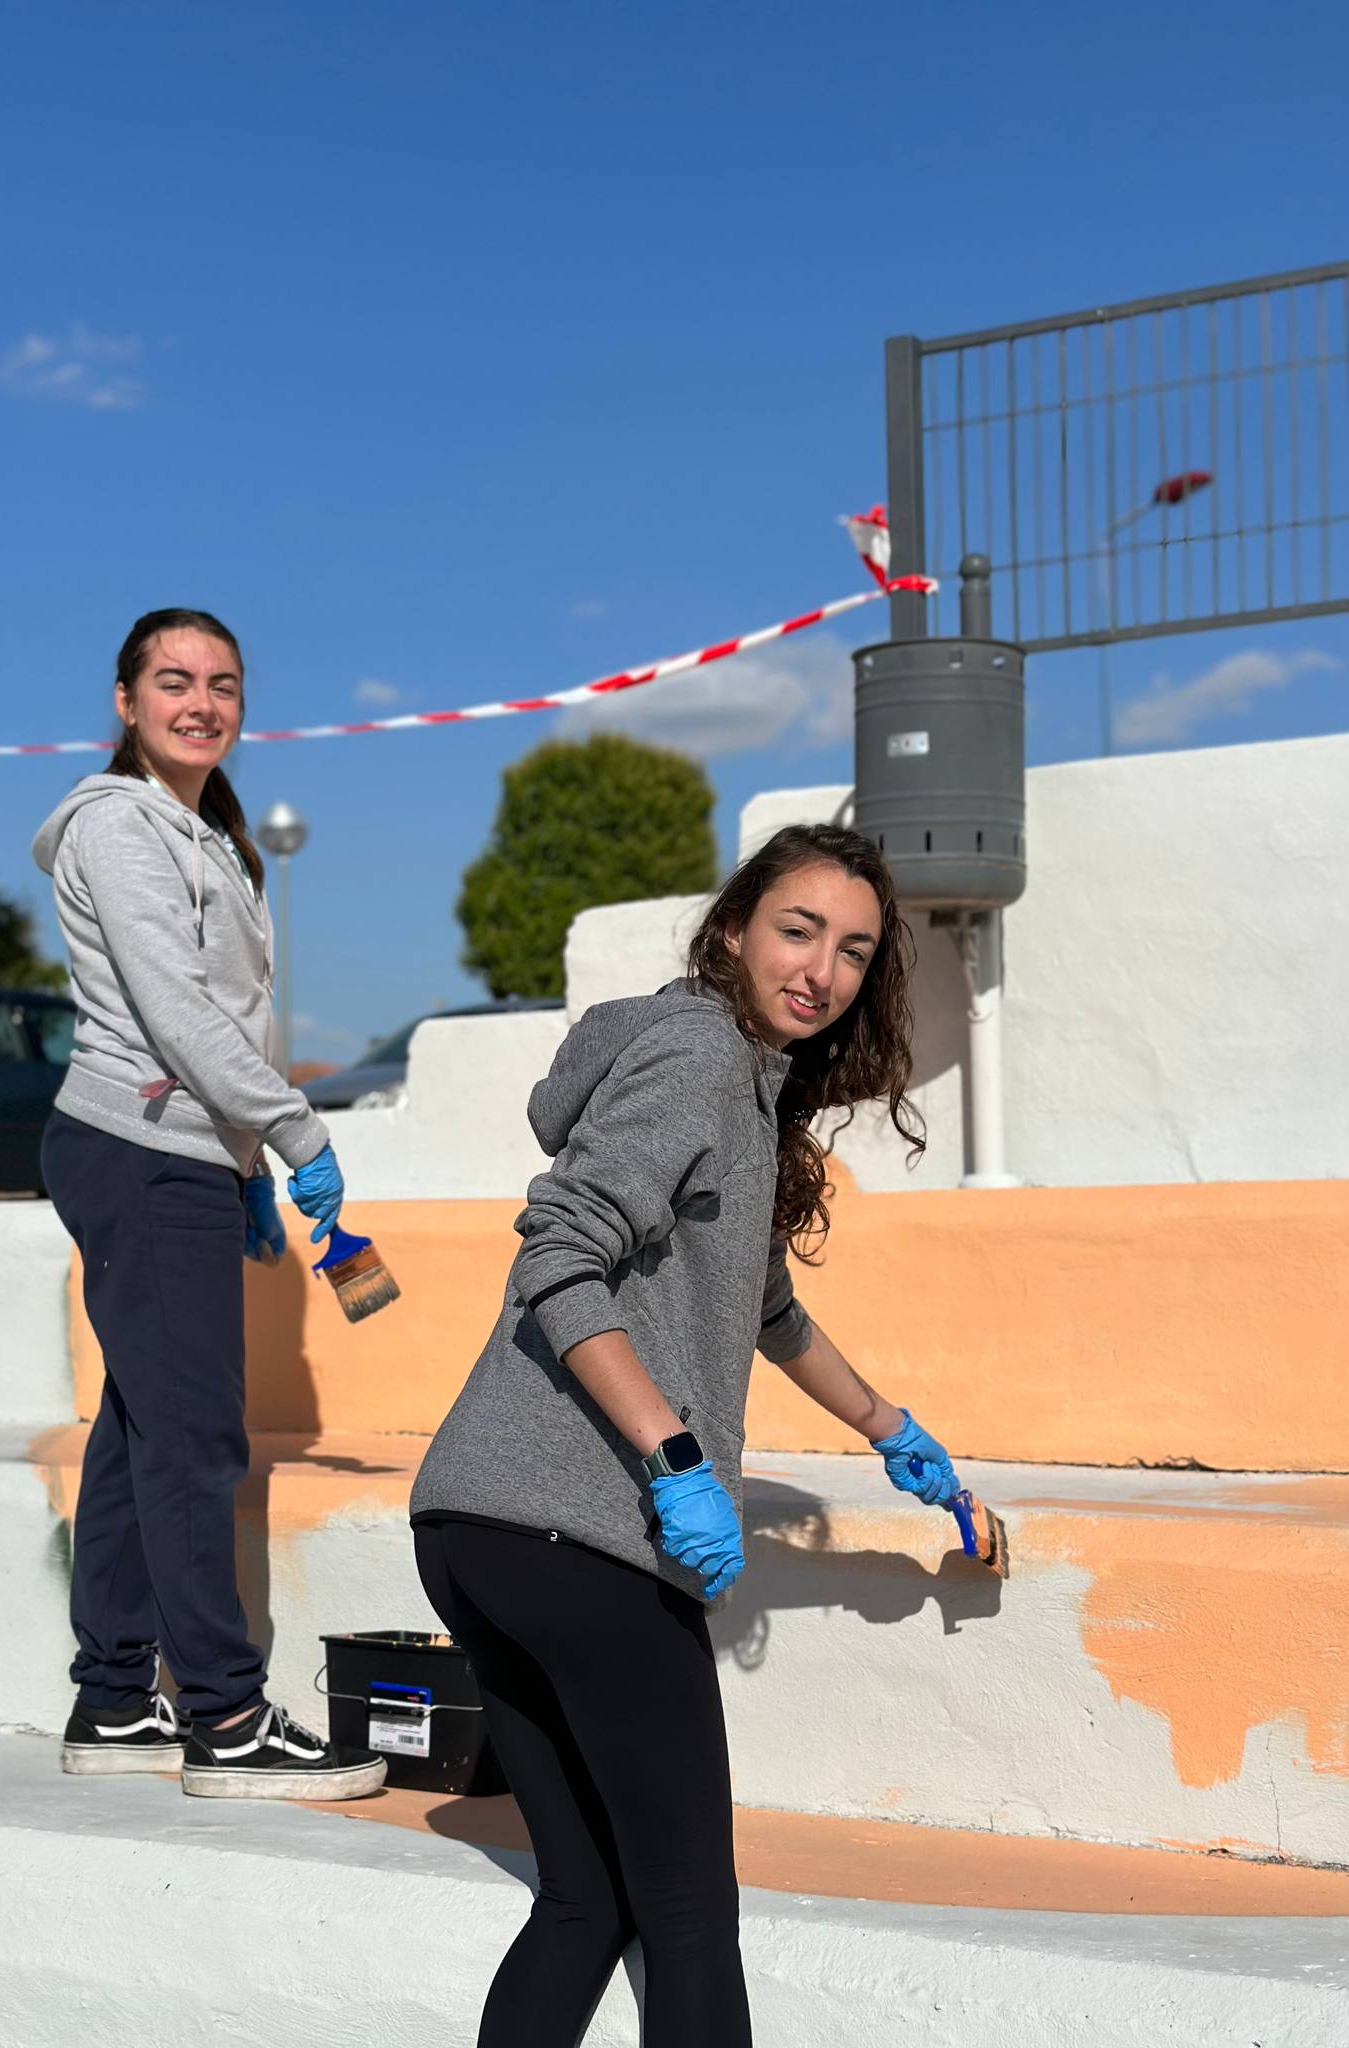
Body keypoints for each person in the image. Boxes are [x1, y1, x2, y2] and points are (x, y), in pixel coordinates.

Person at [409, 823, 960, 2047]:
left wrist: (894, 1431)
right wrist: (676, 1459)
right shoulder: (701, 1056)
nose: (822, 968)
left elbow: (758, 1305)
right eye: (798, 929)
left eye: (854, 951)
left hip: (474, 1521)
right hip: (575, 1526)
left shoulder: (741, 1081)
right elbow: (561, 1252)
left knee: (586, 1901)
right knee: (690, 1915)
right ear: (733, 929)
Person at [33, 607, 386, 1802]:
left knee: (141, 1430)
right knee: (194, 1439)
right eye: (173, 680)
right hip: (141, 1148)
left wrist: (237, 1161)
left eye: (222, 683)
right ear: (125, 699)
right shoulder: (124, 829)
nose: (201, 701)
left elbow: (202, 1020)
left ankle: (116, 1696)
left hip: (172, 1149)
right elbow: (176, 1008)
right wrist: (292, 1130)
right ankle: (225, 1716)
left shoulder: (202, 831)